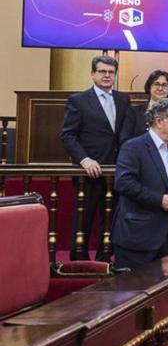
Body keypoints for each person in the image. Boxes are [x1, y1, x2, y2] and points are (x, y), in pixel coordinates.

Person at [59, 55, 131, 261]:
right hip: (88, 171)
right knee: (84, 217)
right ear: (93, 74)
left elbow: (122, 135)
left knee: (110, 218)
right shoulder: (78, 100)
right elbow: (67, 135)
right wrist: (85, 160)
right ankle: (78, 260)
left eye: (111, 72)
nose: (107, 76)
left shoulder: (123, 99)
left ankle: (104, 258)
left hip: (115, 170)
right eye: (102, 71)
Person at [112, 98, 168, 269]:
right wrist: (159, 200)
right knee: (132, 293)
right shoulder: (133, 147)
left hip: (166, 238)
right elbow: (123, 183)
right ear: (159, 121)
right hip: (137, 239)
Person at [124, 70, 168, 139]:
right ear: (149, 87)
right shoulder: (134, 112)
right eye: (156, 84)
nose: (160, 88)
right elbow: (125, 139)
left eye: (164, 85)